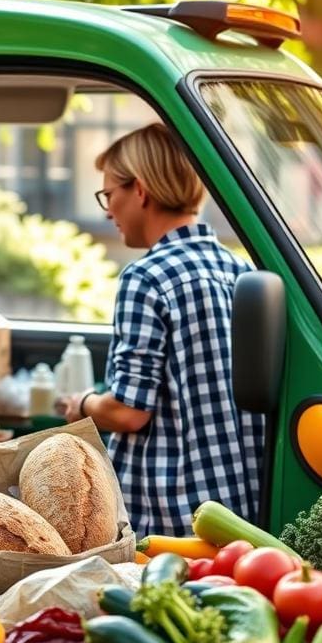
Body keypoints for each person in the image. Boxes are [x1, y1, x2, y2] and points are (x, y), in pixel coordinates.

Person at [63, 122, 265, 537]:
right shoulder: (240, 270)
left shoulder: (147, 277)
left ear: (140, 190)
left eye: (109, 195)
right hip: (238, 511)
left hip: (168, 517)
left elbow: (128, 411)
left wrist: (83, 403)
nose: (106, 210)